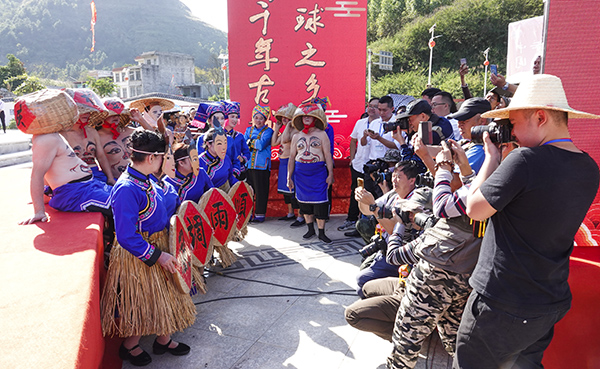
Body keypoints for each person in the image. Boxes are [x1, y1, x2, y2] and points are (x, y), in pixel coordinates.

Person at [454, 74, 600, 369]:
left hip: (502, 302)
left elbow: (475, 208)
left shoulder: (524, 162)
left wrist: (493, 159)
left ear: (541, 116)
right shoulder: (588, 166)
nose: (513, 134)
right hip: (548, 300)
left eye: (515, 124)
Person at [101, 129, 194, 367]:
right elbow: (125, 235)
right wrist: (157, 255)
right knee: (146, 303)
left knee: (167, 295)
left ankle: (164, 339)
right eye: (163, 157)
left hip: (160, 244)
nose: (165, 161)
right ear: (152, 158)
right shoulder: (126, 189)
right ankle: (129, 346)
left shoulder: (148, 179)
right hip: (139, 255)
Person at [386, 141, 483, 369]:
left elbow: (442, 206)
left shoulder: (495, 164)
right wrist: (466, 171)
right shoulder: (517, 170)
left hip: (440, 263)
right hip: (469, 267)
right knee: (456, 339)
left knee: (405, 340)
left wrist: (443, 169)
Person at [287, 102, 334, 243]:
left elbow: (327, 155)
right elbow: (291, 157)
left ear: (315, 118)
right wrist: (289, 177)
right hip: (301, 174)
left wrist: (330, 174)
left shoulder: (322, 135)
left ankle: (321, 232)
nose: (306, 118)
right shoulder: (296, 136)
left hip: (318, 172)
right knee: (304, 203)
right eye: (304, 116)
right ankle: (310, 230)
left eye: (310, 116)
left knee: (320, 203)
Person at [338, 97, 380, 235]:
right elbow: (353, 140)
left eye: (375, 106)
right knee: (355, 192)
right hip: (358, 163)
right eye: (370, 105)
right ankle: (352, 219)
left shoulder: (382, 124)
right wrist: (352, 157)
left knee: (372, 194)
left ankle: (370, 224)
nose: (371, 108)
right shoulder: (361, 122)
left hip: (374, 166)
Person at [60, 88, 115, 185]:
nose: (87, 114)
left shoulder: (92, 131)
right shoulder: (62, 134)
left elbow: (101, 157)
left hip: (96, 175)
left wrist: (110, 178)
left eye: (88, 110)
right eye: (82, 110)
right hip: (74, 178)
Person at [272, 102, 302, 222]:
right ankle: (290, 213)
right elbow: (274, 143)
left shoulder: (295, 131)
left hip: (292, 163)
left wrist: (289, 125)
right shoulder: (286, 130)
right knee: (286, 191)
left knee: (293, 190)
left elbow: (284, 139)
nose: (284, 119)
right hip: (283, 163)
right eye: (282, 117)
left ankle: (300, 216)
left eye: (286, 117)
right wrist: (277, 129)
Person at [446, 97, 492, 173]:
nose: (459, 125)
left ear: (482, 120)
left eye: (464, 121)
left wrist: (426, 156)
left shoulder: (480, 149)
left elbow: (454, 183)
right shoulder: (467, 141)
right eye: (458, 121)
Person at [244, 105, 274, 223]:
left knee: (261, 190)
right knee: (248, 191)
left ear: (265, 119)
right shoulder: (248, 130)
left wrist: (250, 142)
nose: (258, 120)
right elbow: (244, 144)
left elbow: (261, 145)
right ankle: (248, 215)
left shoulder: (268, 131)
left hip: (261, 166)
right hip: (249, 165)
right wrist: (253, 143)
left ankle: (260, 214)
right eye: (256, 117)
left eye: (261, 118)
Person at [97, 97, 137, 181]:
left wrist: (141, 120)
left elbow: (155, 140)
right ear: (102, 117)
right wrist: (110, 178)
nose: (116, 117)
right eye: (112, 114)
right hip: (116, 181)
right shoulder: (96, 136)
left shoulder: (130, 131)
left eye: (118, 114)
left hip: (139, 178)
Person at [198, 127, 237, 192]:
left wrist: (244, 186)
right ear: (208, 144)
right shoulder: (199, 161)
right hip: (205, 197)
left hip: (225, 195)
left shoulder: (226, 158)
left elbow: (231, 178)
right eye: (219, 143)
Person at [222, 100, 250, 179]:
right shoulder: (218, 136)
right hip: (222, 170)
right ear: (226, 118)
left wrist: (243, 159)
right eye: (232, 117)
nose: (235, 120)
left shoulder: (239, 136)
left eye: (236, 117)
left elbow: (247, 152)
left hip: (238, 170)